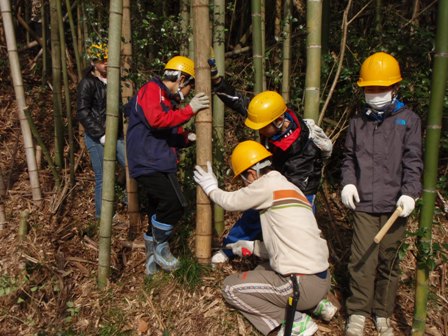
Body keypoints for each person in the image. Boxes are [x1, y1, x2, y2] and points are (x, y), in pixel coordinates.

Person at [194, 140, 336, 336]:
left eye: (243, 180)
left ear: (251, 174)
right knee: (261, 269)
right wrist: (252, 247)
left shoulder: (266, 185)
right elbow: (289, 246)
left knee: (231, 288)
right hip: (321, 279)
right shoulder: (291, 189)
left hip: (301, 285)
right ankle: (315, 304)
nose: (245, 185)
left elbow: (230, 202)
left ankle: (295, 322)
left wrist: (211, 188)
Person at [207, 59, 333, 264]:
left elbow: (291, 189)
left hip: (301, 191)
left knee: (292, 227)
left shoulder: (304, 149)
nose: (259, 130)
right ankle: (230, 248)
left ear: (279, 122)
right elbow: (239, 101)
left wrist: (261, 192)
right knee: (253, 214)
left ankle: (292, 266)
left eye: (263, 127)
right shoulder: (271, 115)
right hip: (276, 175)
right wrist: (218, 83)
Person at [340, 52, 423, 336]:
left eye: (380, 88)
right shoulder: (356, 123)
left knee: (388, 260)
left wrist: (411, 193)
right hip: (364, 203)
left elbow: (413, 161)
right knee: (361, 258)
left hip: (396, 205)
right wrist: (348, 183)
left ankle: (383, 313)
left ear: (394, 88)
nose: (374, 93)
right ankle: (358, 312)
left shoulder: (408, 120)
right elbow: (349, 158)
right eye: (369, 88)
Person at [125, 56, 210, 275]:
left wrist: (187, 139)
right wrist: (189, 110)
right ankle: (161, 248)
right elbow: (156, 120)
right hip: (148, 162)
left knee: (156, 209)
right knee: (175, 204)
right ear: (182, 79)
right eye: (190, 86)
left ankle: (151, 264)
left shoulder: (167, 100)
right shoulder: (151, 89)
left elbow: (167, 132)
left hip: (158, 161)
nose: (188, 93)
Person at [77, 42, 126, 220]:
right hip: (96, 137)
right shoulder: (88, 83)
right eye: (103, 60)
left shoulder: (116, 81)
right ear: (93, 62)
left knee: (130, 166)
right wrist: (100, 134)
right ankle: (102, 216)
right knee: (103, 176)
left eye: (108, 59)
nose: (106, 63)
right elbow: (82, 112)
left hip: (116, 135)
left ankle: (128, 201)